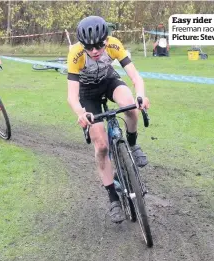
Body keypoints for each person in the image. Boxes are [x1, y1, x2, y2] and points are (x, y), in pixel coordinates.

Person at [66, 16, 150, 223]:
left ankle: (132, 144)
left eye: (98, 45)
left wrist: (141, 95)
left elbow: (135, 77)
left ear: (106, 39)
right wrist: (80, 113)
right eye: (89, 47)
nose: (94, 51)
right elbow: (72, 96)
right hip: (88, 94)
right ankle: (112, 197)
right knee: (101, 145)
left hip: (108, 81)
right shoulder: (75, 54)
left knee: (130, 106)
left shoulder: (114, 44)